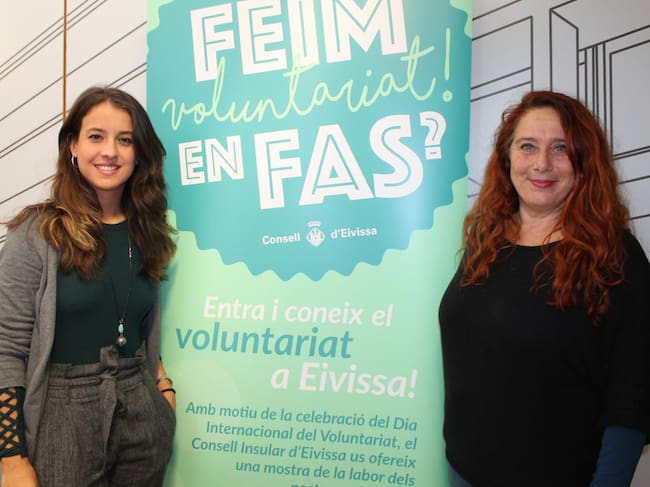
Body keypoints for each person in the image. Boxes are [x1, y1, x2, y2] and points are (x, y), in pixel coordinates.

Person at [439, 90, 650, 487]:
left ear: (584, 160)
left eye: (561, 149)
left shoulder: (615, 255)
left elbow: (632, 396)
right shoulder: (486, 239)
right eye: (528, 146)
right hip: (462, 471)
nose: (542, 163)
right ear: (507, 156)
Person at [0, 86, 177, 486]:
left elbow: (137, 324)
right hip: (62, 415)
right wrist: (12, 459)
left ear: (139, 153)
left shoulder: (146, 232)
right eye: (96, 136)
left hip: (141, 409)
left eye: (125, 140)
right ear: (73, 146)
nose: (110, 151)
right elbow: (5, 349)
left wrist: (163, 390)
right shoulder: (36, 233)